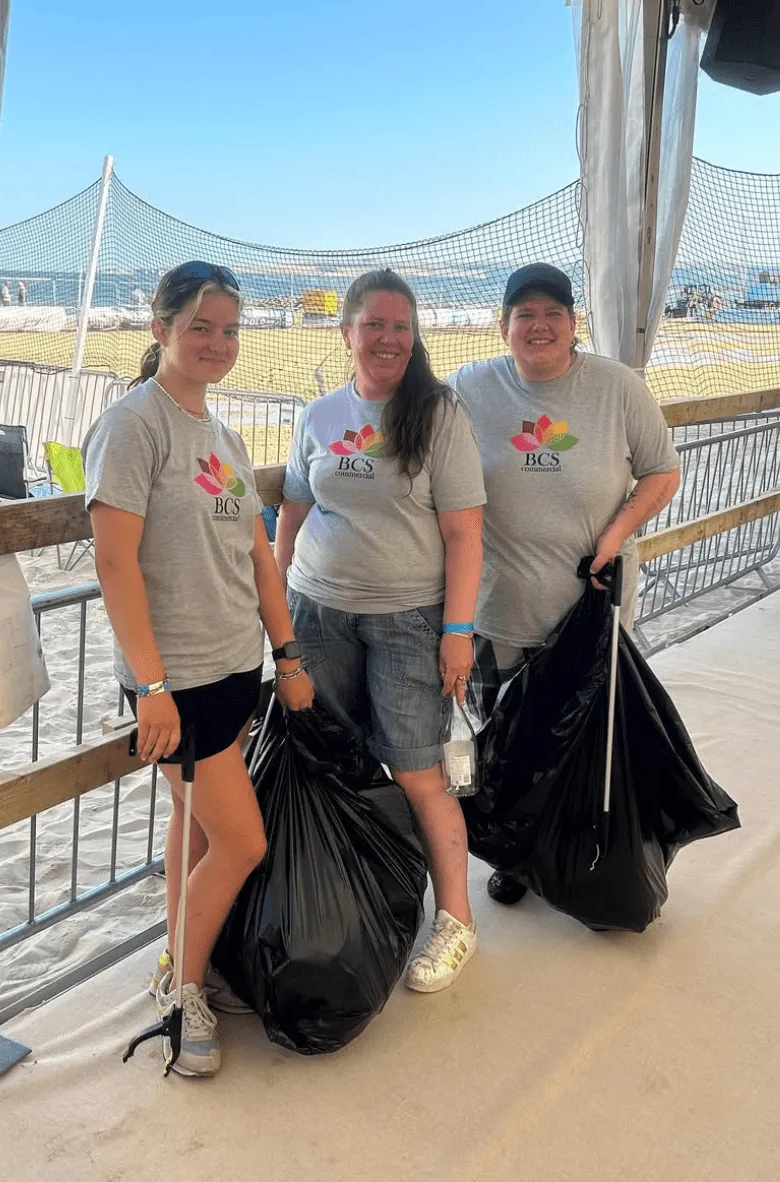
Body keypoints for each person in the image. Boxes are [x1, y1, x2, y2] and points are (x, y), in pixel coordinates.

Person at [83, 261, 313, 1077]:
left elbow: (258, 557)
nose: (218, 342)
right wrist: (150, 686)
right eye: (200, 328)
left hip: (233, 664)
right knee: (242, 841)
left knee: (197, 822)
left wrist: (286, 654)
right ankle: (182, 992)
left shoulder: (224, 437)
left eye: (229, 330)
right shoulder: (133, 426)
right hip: (174, 677)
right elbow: (114, 561)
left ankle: (181, 956)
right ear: (162, 330)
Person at [276, 269, 486, 993]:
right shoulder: (319, 414)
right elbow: (293, 512)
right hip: (317, 612)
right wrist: (278, 610)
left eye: (401, 326)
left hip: (409, 621)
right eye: (374, 324)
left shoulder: (439, 413)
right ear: (347, 332)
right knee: (334, 760)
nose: (388, 338)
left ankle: (455, 920)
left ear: (414, 335)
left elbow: (464, 532)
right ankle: (352, 903)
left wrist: (457, 631)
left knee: (419, 769)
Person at [449, 262, 681, 905]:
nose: (539, 325)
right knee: (505, 744)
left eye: (553, 313)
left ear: (574, 322)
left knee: (584, 742)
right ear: (503, 326)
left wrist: (615, 534)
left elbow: (662, 472)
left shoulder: (618, 387)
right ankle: (516, 859)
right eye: (524, 314)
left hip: (591, 606)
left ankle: (585, 857)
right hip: (498, 609)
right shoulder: (469, 386)